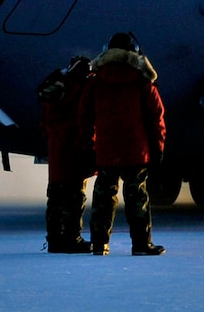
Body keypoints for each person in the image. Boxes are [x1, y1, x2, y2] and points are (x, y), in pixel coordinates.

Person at [80, 31, 167, 256]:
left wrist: (88, 145)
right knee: (137, 198)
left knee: (103, 198)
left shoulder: (96, 82)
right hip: (136, 151)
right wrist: (158, 148)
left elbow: (84, 116)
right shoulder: (143, 82)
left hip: (107, 150)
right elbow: (156, 118)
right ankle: (141, 244)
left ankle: (99, 244)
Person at [36, 54, 96, 253]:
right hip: (76, 151)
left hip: (57, 151)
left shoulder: (53, 92)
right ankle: (73, 238)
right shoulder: (83, 91)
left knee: (55, 197)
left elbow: (45, 124)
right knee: (75, 197)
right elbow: (87, 122)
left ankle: (54, 239)